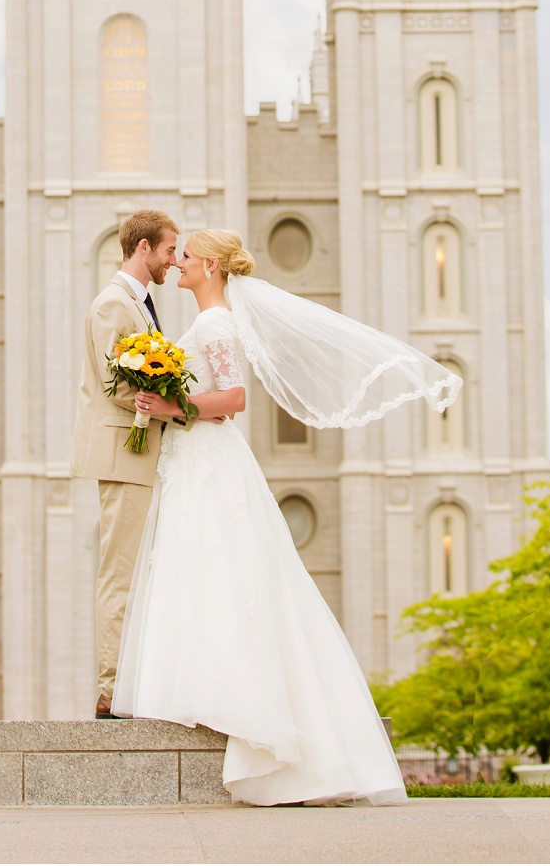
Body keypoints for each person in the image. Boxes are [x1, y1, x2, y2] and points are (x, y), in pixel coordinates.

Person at [112, 227, 462, 806]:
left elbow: (234, 399)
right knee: (200, 571)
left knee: (222, 573)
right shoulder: (209, 320)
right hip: (193, 458)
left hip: (210, 460)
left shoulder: (217, 323)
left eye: (188, 258)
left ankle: (240, 705)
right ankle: (203, 691)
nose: (178, 266)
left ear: (214, 268)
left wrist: (170, 405)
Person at [71, 209, 180, 717]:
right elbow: (116, 384)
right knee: (119, 573)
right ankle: (111, 688)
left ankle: (136, 680)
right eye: (168, 250)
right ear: (143, 249)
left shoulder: (139, 304)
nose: (172, 261)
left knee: (141, 573)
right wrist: (174, 401)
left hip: (142, 452)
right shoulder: (112, 306)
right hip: (124, 452)